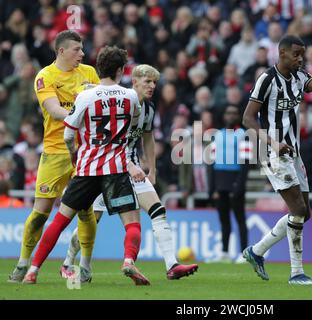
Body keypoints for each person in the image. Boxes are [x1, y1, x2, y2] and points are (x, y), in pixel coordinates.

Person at [22, 46, 148, 285]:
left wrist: (74, 155)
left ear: (97, 69)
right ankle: (129, 262)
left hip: (87, 168)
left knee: (60, 221)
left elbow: (69, 135)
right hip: (117, 170)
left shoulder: (86, 97)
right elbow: (134, 126)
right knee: (132, 223)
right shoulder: (131, 96)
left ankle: (33, 270)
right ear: (121, 70)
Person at [60, 64, 198, 280]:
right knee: (92, 220)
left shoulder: (149, 108)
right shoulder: (121, 101)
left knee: (158, 210)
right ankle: (68, 260)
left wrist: (151, 169)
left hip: (132, 170)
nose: (152, 86)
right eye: (147, 81)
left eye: (154, 82)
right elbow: (107, 139)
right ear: (134, 82)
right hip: (107, 169)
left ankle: (171, 265)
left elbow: (148, 138)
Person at [242, 35, 312, 285]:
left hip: (293, 152)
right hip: (272, 152)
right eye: (296, 54)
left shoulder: (300, 78)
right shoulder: (267, 79)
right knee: (298, 211)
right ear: (281, 53)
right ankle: (296, 273)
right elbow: (247, 119)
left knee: (305, 213)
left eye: (302, 54)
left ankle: (257, 251)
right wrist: (271, 141)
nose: (300, 59)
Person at [8, 30, 99, 283]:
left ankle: (86, 265)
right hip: (55, 151)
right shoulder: (45, 76)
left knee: (85, 211)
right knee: (40, 213)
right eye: (76, 50)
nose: (82, 54)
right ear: (61, 51)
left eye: (82, 49)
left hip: (84, 152)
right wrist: (80, 112)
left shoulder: (90, 73)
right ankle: (22, 263)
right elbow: (55, 110)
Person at [209, 105, 251, 263]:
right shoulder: (217, 135)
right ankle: (225, 252)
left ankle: (244, 253)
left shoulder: (243, 135)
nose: (231, 115)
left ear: (238, 116)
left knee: (240, 218)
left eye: (234, 113)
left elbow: (246, 163)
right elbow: (212, 163)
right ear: (224, 115)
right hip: (220, 181)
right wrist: (212, 188)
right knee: (223, 219)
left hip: (235, 180)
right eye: (228, 112)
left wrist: (239, 186)